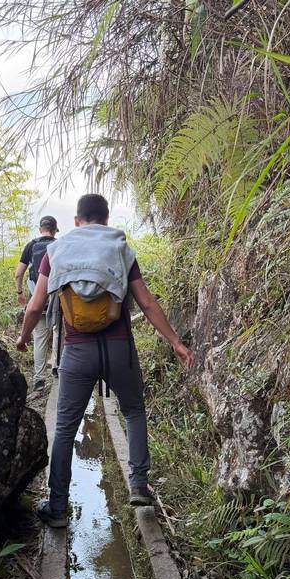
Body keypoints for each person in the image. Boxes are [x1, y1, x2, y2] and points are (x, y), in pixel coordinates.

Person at [17, 193, 194, 528]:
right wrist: (175, 342)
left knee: (66, 430)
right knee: (134, 411)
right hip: (119, 349)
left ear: (76, 221)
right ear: (107, 218)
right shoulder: (121, 249)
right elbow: (146, 302)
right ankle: (139, 485)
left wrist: (25, 337)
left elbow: (35, 305)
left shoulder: (55, 251)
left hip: (77, 352)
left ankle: (56, 509)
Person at [15, 216, 60, 391]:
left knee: (40, 337)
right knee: (57, 332)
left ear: (40, 229)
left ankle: (39, 379)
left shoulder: (31, 245)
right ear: (55, 230)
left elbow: (19, 273)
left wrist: (20, 293)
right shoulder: (60, 246)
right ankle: (56, 368)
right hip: (57, 298)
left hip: (37, 297)